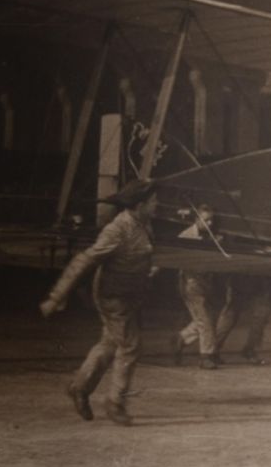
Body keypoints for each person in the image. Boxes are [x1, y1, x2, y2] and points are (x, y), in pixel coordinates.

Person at [39, 178, 159, 424]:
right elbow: (83, 261)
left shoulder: (145, 224)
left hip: (131, 294)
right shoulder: (117, 229)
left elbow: (142, 253)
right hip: (112, 296)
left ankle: (79, 387)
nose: (158, 204)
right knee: (130, 346)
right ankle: (115, 403)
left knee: (110, 342)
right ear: (139, 205)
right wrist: (56, 297)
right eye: (154, 201)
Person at [172, 204, 228, 370]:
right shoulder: (186, 236)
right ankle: (206, 356)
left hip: (206, 282)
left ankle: (182, 338)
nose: (210, 224)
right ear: (197, 219)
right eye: (206, 220)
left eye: (211, 220)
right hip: (191, 283)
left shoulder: (212, 237)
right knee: (204, 320)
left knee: (207, 319)